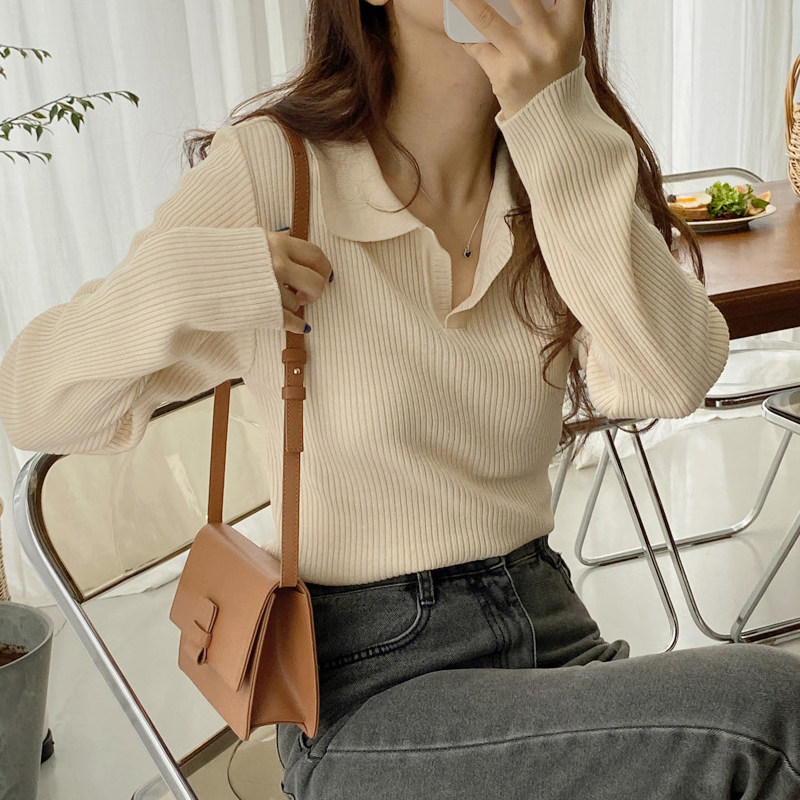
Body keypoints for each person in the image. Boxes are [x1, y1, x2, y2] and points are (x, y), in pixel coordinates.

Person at [1, 0, 799, 797]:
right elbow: (32, 400)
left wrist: (556, 120)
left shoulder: (558, 162)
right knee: (773, 716)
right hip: (366, 692)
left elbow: (667, 376)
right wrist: (191, 280)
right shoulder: (278, 170)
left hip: (552, 639)